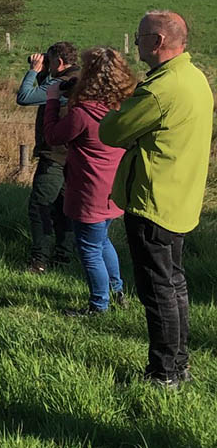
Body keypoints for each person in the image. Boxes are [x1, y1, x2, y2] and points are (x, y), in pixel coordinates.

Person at [99, 11, 214, 388]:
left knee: (157, 291)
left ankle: (163, 375)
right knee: (174, 285)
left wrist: (123, 113)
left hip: (153, 200)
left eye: (139, 37)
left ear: (157, 42)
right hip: (181, 196)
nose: (135, 44)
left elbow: (111, 132)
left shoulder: (160, 90)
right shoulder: (194, 77)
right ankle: (179, 365)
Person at [42, 47, 134, 316]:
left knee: (89, 248)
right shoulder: (123, 108)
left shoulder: (83, 114)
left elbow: (53, 136)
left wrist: (52, 101)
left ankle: (99, 305)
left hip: (88, 190)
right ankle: (117, 292)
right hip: (113, 186)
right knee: (102, 241)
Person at [16, 42, 80, 273]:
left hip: (55, 157)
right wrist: (46, 73)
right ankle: (63, 259)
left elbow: (25, 97)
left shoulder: (61, 83)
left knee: (40, 207)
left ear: (59, 62)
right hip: (75, 157)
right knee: (65, 209)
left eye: (49, 61)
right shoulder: (78, 79)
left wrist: (33, 71)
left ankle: (39, 260)